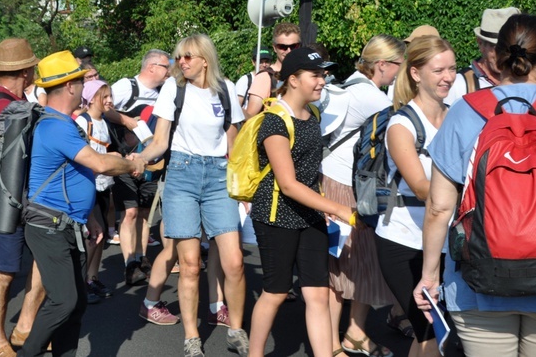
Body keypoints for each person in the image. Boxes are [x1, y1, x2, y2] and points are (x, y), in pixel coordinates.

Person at [416, 14, 536, 356]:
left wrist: (429, 275)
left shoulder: (463, 112)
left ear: (495, 56)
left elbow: (440, 206)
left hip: (479, 274)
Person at [17, 50, 143, 357]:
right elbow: (98, 163)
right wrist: (131, 164)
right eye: (81, 80)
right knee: (64, 301)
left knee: (77, 303)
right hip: (49, 225)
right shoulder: (57, 125)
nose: (85, 87)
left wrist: (90, 216)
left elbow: (74, 171)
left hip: (65, 223)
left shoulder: (59, 121)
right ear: (71, 86)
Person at [133, 34, 247, 357]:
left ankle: (236, 329)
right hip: (182, 174)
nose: (181, 62)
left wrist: (244, 188)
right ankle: (192, 337)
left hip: (217, 177)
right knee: (190, 264)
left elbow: (234, 146)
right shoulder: (173, 88)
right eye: (178, 57)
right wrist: (141, 158)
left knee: (235, 262)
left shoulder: (225, 89)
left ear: (205, 60)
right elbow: (160, 140)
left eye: (188, 57)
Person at [245, 47, 356, 357]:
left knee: (318, 294)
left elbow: (309, 171)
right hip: (276, 216)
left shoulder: (314, 113)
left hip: (309, 217)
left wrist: (321, 208)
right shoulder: (274, 120)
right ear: (293, 80)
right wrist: (336, 208)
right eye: (315, 75)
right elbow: (289, 184)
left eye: (324, 74)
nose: (322, 81)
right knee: (276, 292)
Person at [318, 34, 405, 357]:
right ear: (382, 64)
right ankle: (334, 343)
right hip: (346, 188)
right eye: (399, 64)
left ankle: (350, 333)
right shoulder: (373, 99)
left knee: (348, 266)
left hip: (336, 181)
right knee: (346, 268)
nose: (400, 72)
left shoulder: (346, 86)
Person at [373, 36, 456, 357]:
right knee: (431, 333)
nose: (448, 77)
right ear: (416, 73)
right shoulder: (401, 124)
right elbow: (423, 188)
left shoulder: (457, 117)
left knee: (433, 335)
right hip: (402, 242)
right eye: (438, 70)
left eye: (451, 68)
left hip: (447, 241)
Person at [0, 39, 45, 357]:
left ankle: (25, 326)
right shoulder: (5, 106)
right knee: (3, 271)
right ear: (27, 71)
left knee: (42, 261)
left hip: (15, 195)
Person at [104, 49, 171, 285]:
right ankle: (129, 263)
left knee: (144, 212)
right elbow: (102, 106)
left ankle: (142, 258)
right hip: (124, 160)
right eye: (166, 66)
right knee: (129, 212)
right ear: (151, 67)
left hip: (152, 162)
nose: (169, 71)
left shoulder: (165, 91)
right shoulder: (126, 86)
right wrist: (126, 120)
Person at [75, 79, 116, 302]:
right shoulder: (83, 121)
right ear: (92, 99)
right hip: (88, 184)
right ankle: (81, 284)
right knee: (93, 235)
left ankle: (92, 278)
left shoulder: (104, 121)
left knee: (98, 238)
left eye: (110, 96)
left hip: (103, 184)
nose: (110, 100)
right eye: (105, 97)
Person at [444, 7, 519, 105]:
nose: (503, 54)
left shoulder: (527, 80)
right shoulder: (459, 85)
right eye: (496, 47)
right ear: (480, 44)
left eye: (509, 48)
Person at [244, 22, 302, 118]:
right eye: (283, 47)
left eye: (293, 46)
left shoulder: (304, 73)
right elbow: (250, 117)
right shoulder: (265, 77)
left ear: (299, 46)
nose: (289, 51)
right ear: (275, 48)